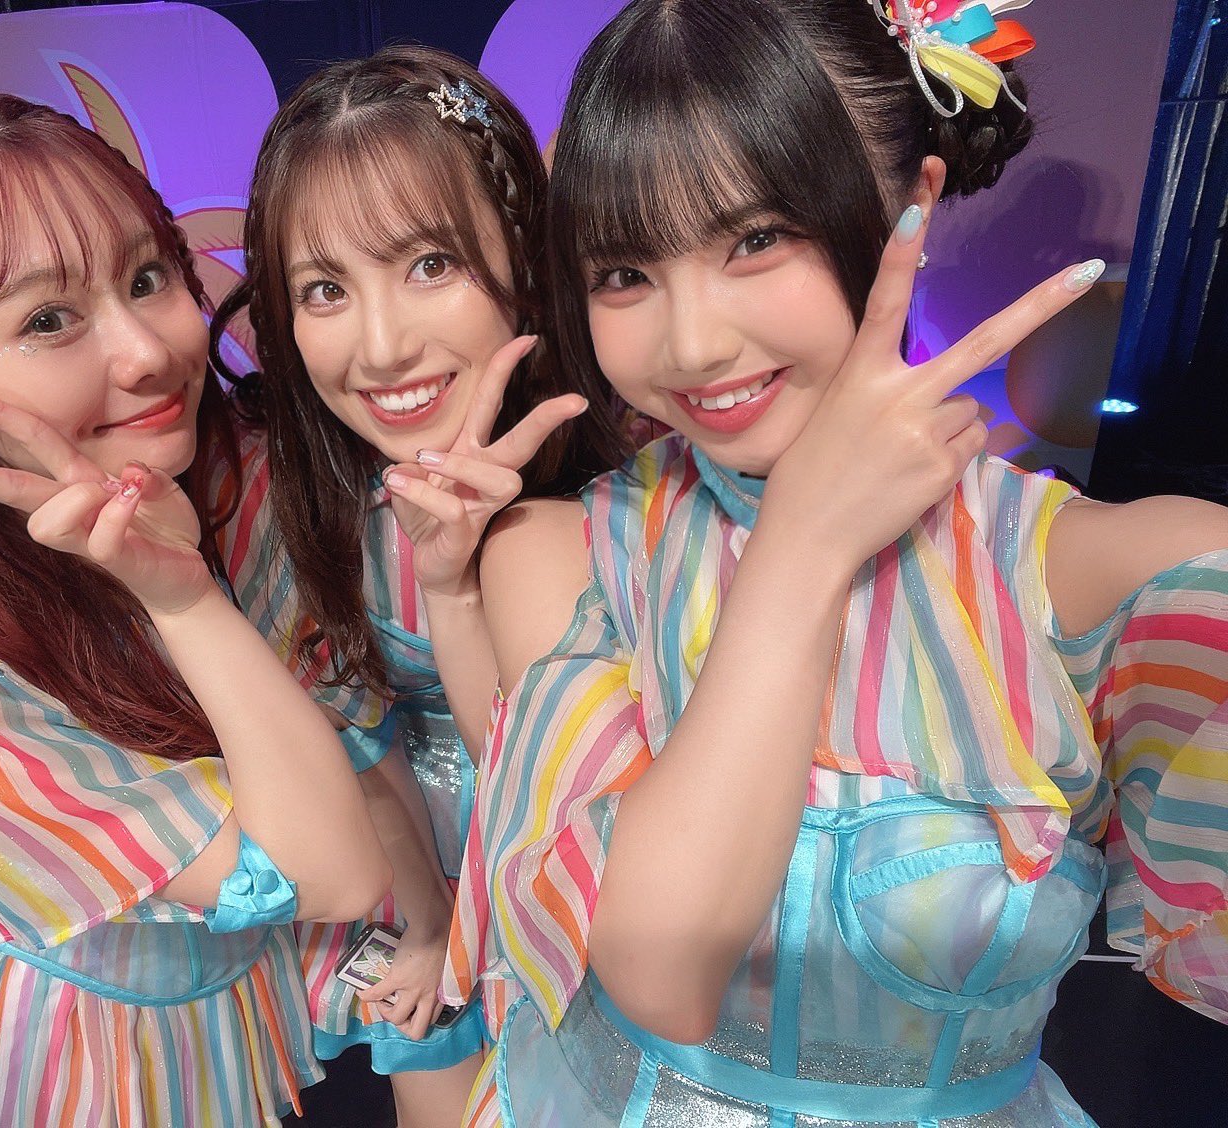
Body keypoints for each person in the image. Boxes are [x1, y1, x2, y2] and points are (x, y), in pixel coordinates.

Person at [454, 1, 1228, 1124]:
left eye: (756, 238)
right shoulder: (562, 553)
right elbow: (659, 973)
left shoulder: (1095, 579)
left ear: (914, 200)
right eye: (622, 272)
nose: (693, 344)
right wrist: (804, 545)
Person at [0, 91, 387, 1126]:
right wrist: (186, 600)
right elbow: (326, 876)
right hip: (53, 1062)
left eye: (147, 277)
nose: (148, 351)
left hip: (213, 1012)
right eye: (46, 320)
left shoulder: (230, 482)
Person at [212, 45, 630, 1128]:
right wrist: (434, 919)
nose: (383, 346)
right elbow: (355, 740)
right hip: (417, 864)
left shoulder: (631, 477)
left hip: (609, 881)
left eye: (431, 264)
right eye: (324, 290)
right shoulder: (300, 502)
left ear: (521, 253)